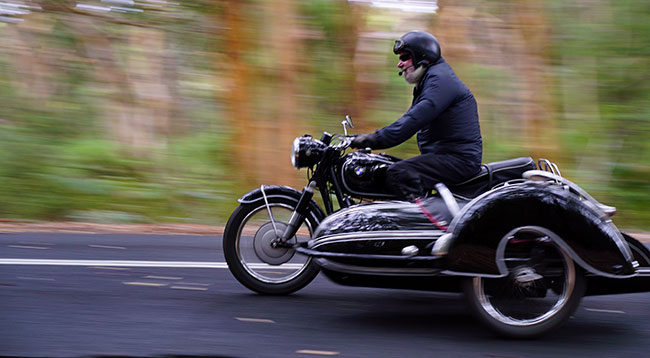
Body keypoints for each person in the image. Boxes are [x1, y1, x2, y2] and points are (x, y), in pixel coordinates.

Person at [351, 30, 483, 200]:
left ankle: (424, 222)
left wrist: (375, 138)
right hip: (445, 157)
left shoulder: (440, 81)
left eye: (405, 57)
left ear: (423, 56)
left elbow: (413, 120)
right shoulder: (430, 80)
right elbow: (411, 119)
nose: (400, 64)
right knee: (384, 167)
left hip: (458, 161)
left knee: (400, 173)